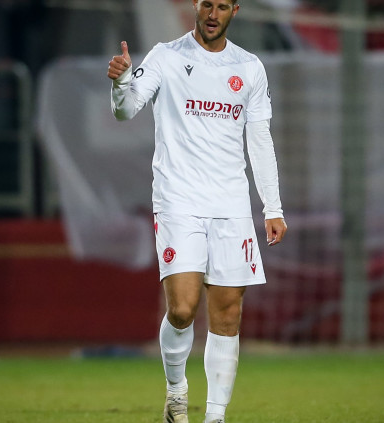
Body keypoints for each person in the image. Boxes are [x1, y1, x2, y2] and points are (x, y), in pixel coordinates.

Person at [107, 1, 286, 422]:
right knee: (183, 309)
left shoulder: (249, 67)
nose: (213, 13)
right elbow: (125, 110)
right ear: (196, 5)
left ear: (234, 10)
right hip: (179, 201)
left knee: (227, 314)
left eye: (222, 6)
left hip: (231, 205)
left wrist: (273, 206)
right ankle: (176, 392)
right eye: (207, 4)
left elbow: (260, 139)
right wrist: (120, 83)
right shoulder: (166, 57)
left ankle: (215, 417)